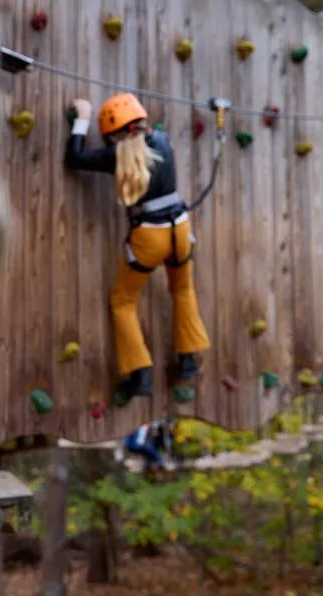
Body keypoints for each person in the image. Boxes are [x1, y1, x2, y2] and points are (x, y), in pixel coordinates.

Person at [65, 92, 211, 405]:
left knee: (123, 301)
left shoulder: (116, 154)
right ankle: (187, 359)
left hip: (150, 236)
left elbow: (74, 158)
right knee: (183, 290)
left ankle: (140, 374)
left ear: (111, 134)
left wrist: (82, 118)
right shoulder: (163, 141)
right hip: (181, 228)